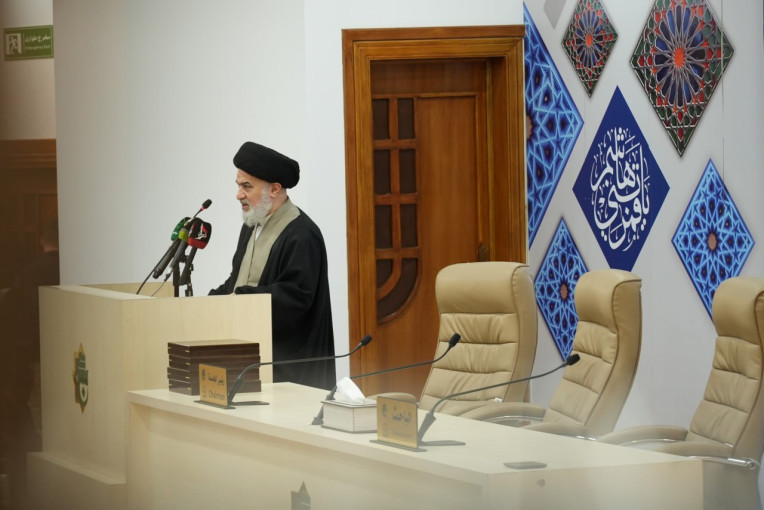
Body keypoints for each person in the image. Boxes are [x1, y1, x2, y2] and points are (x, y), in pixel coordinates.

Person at [209, 142, 336, 390]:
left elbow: (295, 298)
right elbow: (238, 281)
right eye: (238, 185)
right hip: (247, 358)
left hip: (289, 368)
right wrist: (211, 302)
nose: (239, 195)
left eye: (247, 186)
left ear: (275, 189)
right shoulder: (252, 226)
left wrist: (242, 298)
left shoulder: (301, 234)